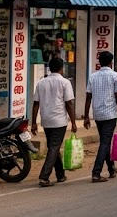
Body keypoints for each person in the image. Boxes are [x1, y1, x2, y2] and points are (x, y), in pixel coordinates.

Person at [31, 57, 77, 187]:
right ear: (61, 68)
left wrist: (34, 122)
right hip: (59, 120)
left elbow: (35, 104)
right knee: (54, 147)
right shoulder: (65, 82)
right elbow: (69, 103)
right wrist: (73, 122)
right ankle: (44, 176)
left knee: (53, 146)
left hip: (46, 119)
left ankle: (60, 174)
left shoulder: (41, 83)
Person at [83, 51, 117, 183]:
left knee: (105, 141)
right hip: (110, 114)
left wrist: (86, 116)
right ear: (111, 62)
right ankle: (96, 172)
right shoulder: (115, 76)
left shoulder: (93, 77)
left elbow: (88, 97)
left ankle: (111, 168)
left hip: (98, 114)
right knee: (105, 142)